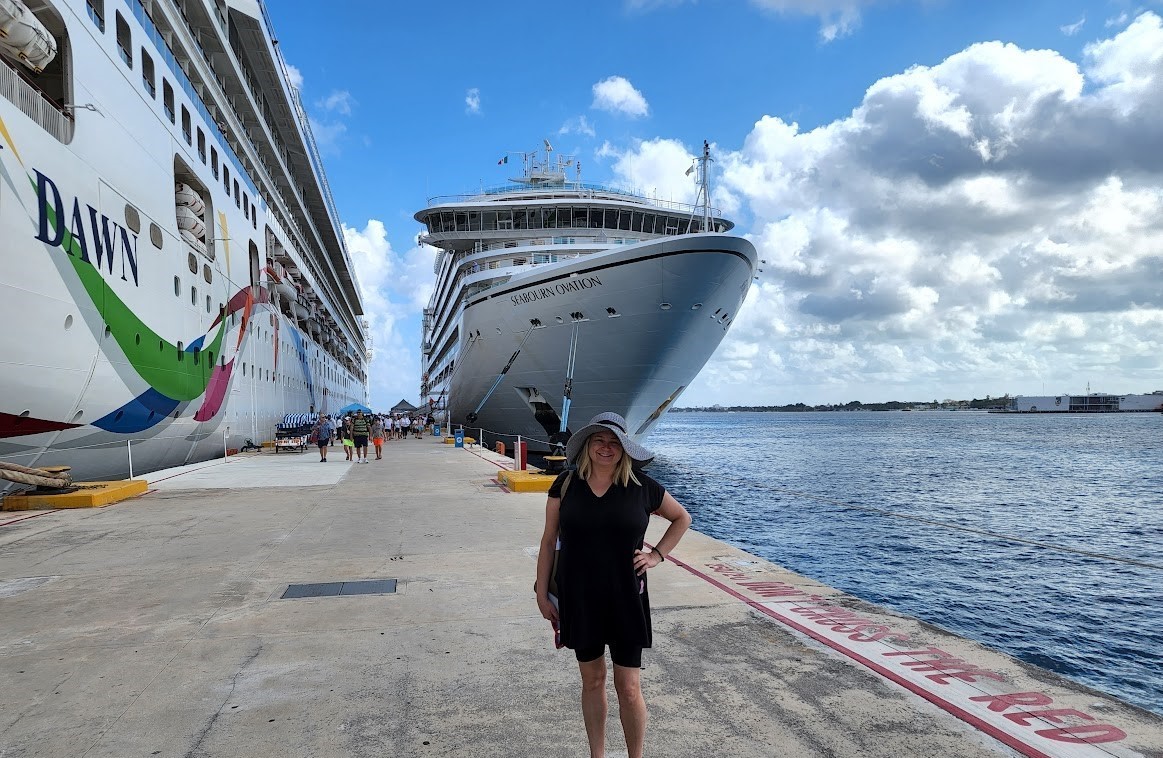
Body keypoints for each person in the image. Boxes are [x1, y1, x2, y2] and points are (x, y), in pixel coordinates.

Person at [535, 412, 691, 758]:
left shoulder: (642, 486)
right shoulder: (564, 485)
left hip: (625, 596)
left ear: (624, 450)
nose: (605, 448)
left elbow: (682, 518)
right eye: (598, 440)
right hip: (579, 596)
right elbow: (548, 542)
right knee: (591, 682)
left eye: (613, 443)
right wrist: (541, 591)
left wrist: (657, 555)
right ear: (587, 445)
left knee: (629, 687)